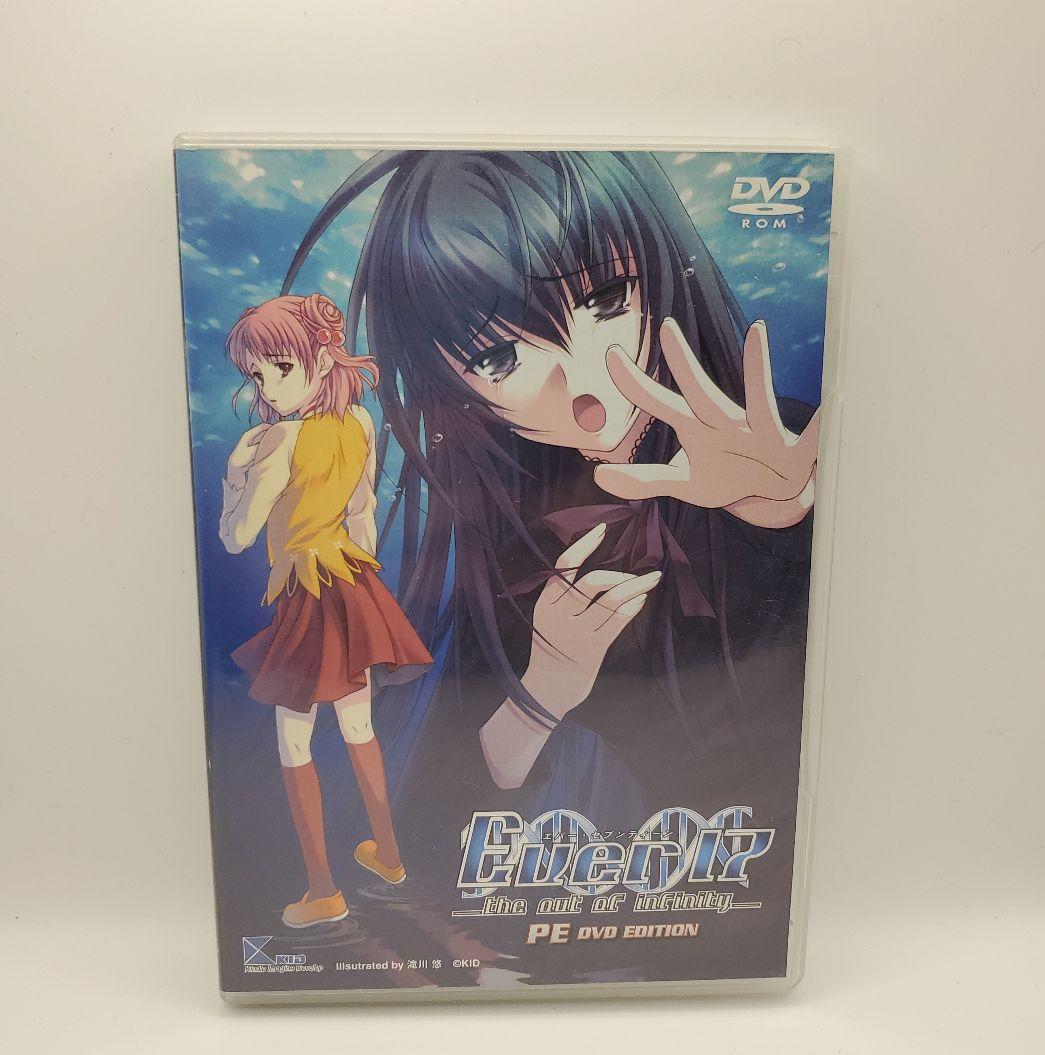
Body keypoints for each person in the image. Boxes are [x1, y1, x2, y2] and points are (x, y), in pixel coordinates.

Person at [284, 152, 820, 873]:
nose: (586, 387)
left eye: (608, 301)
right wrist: (545, 688)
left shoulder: (781, 444)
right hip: (675, 881)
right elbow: (445, 823)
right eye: (499, 359)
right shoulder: (516, 541)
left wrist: (786, 516)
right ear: (454, 387)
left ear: (659, 268)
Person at [219, 293, 433, 928]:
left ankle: (323, 890)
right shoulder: (359, 423)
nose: (267, 386)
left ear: (320, 358)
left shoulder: (278, 440)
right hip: (353, 583)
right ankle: (389, 855)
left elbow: (237, 536)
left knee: (295, 737)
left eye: (279, 367)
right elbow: (362, 514)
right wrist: (362, 589)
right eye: (256, 374)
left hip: (306, 593)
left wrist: (236, 475)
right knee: (358, 724)